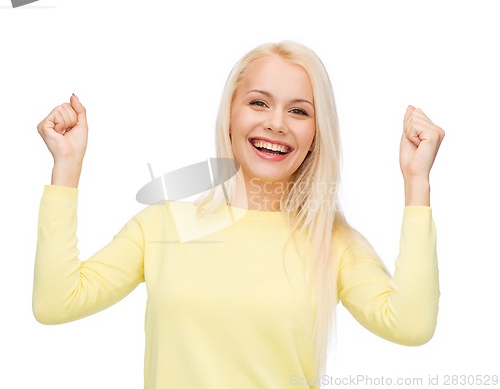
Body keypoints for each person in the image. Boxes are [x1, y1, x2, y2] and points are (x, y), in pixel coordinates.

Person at [34, 41, 445, 389]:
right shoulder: (162, 226)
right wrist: (66, 167)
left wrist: (416, 180)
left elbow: (410, 327)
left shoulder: (331, 241)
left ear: (316, 136)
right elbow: (55, 304)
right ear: (230, 115)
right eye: (258, 102)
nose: (276, 123)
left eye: (299, 111)